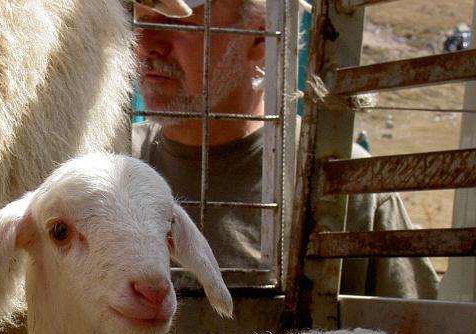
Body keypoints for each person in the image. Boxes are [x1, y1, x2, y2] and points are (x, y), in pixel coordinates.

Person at [132, 0, 440, 299]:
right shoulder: (107, 163)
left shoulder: (344, 181)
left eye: (179, 21)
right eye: (137, 20)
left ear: (259, 37)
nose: (145, 44)